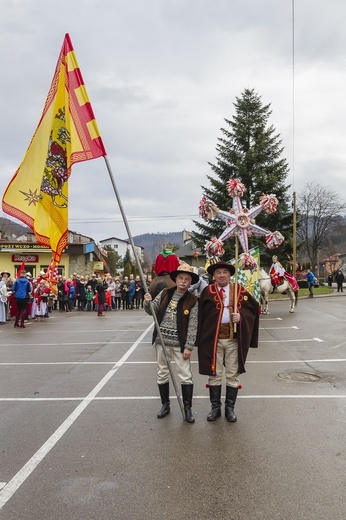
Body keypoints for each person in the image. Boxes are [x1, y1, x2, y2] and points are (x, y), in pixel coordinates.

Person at [197, 262, 259, 422]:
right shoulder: (207, 291)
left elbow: (254, 308)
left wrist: (242, 317)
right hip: (213, 340)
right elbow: (200, 316)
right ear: (214, 275)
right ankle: (215, 408)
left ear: (229, 275)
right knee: (214, 374)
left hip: (233, 340)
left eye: (225, 272)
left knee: (232, 374)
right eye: (218, 272)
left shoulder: (239, 290)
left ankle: (230, 409)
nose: (222, 275)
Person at [144, 263, 199, 423]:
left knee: (185, 376)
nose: (183, 281)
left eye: (187, 279)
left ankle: (187, 408)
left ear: (190, 282)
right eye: (181, 278)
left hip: (180, 345)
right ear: (175, 279)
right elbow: (150, 311)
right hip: (161, 342)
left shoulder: (193, 300)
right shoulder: (164, 293)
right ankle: (165, 405)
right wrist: (148, 302)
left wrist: (189, 346)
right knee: (162, 373)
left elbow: (193, 326)